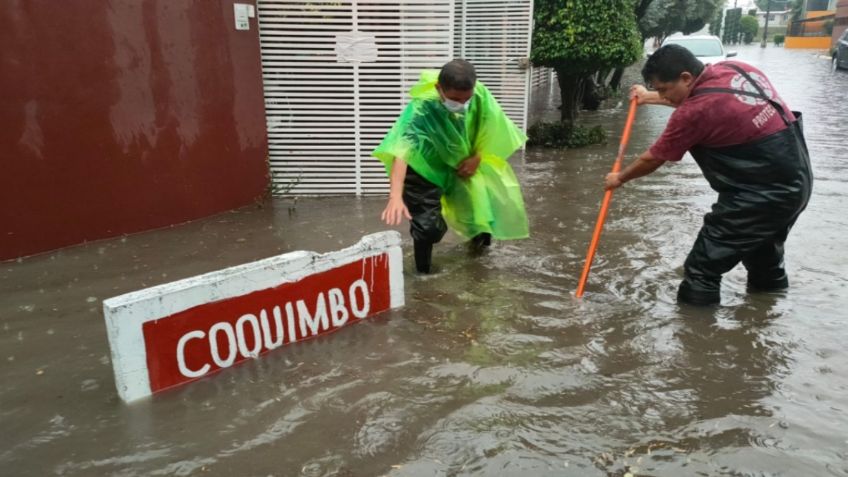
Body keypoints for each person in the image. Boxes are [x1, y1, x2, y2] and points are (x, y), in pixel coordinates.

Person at [604, 45, 812, 305]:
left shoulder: (692, 114)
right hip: (797, 180)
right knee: (763, 259)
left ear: (686, 78)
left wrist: (619, 178)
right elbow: (708, 103)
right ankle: (767, 316)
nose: (663, 95)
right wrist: (649, 97)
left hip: (758, 195)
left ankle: (697, 336)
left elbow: (654, 157)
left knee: (702, 269)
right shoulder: (736, 70)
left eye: (664, 89)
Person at [373, 59, 529, 273]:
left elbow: (491, 127)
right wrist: (395, 196)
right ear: (439, 88)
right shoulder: (422, 107)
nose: (462, 104)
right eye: (455, 99)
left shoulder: (480, 95)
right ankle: (423, 276)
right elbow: (403, 149)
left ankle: (479, 264)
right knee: (427, 227)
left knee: (480, 213)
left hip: (463, 160)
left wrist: (477, 158)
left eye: (467, 98)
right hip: (424, 165)